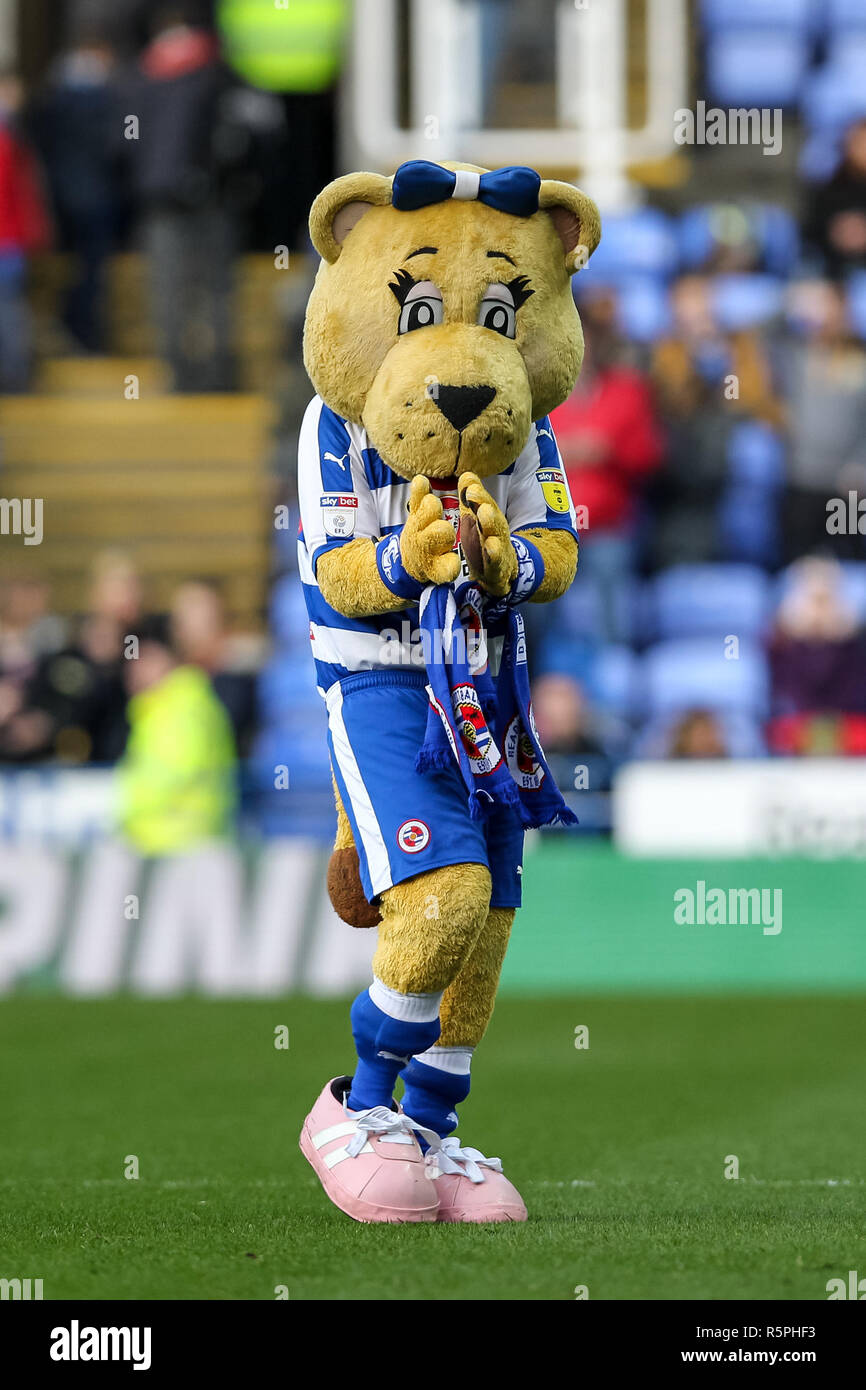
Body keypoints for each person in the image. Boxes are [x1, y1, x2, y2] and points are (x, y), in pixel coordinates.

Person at [120, 5, 242, 391]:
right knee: (215, 289)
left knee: (168, 290)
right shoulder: (218, 72)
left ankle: (178, 374)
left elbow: (122, 143)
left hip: (159, 201)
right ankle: (218, 373)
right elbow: (240, 137)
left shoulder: (140, 77)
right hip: (212, 197)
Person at [30, 23, 122, 352]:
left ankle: (63, 328)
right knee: (90, 268)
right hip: (93, 198)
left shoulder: (50, 96)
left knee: (64, 267)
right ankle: (83, 332)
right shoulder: (106, 99)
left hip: (56, 198)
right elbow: (117, 147)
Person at [117, 615, 238, 855]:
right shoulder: (162, 707)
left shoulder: (180, 707)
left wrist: (120, 806)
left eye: (142, 658)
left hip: (181, 845)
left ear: (164, 659)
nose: (133, 668)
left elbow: (170, 775)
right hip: (174, 843)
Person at [0, 69, 52, 391]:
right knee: (10, 311)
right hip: (8, 239)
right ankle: (16, 375)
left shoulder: (13, 133)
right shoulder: (8, 136)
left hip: (11, 238)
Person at [803, 116, 866, 278]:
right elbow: (811, 228)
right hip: (832, 270)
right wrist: (835, 233)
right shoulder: (828, 187)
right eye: (858, 142)